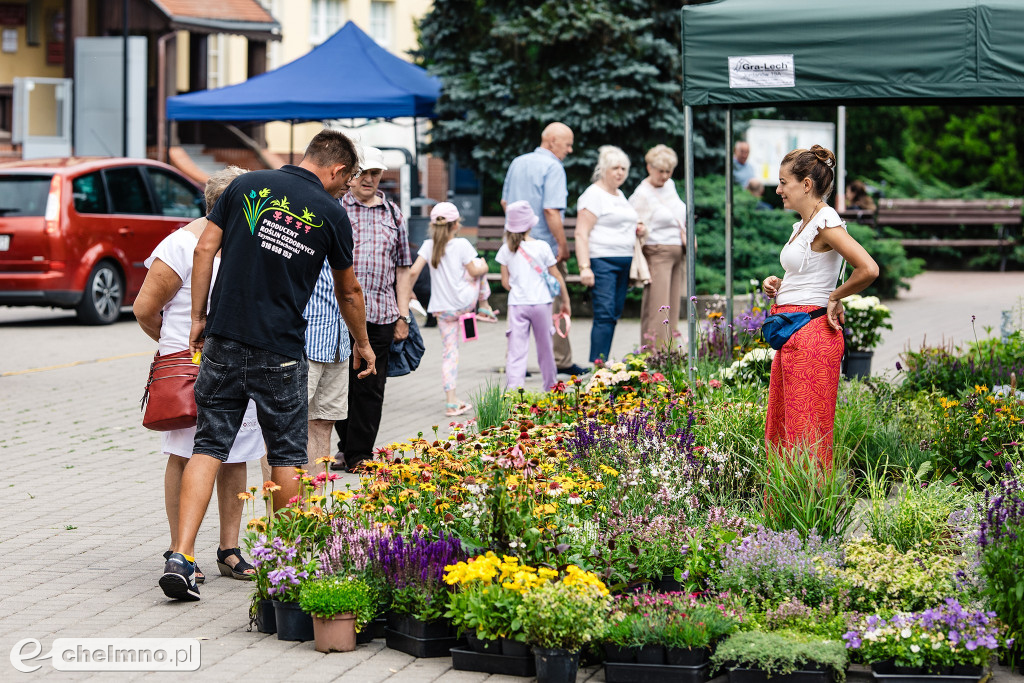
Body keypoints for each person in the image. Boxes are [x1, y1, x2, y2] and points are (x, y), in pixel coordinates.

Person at [159, 129, 375, 602]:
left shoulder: (245, 185)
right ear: (337, 169)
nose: (345, 187)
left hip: (223, 338)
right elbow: (349, 291)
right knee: (286, 454)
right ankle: (289, 562)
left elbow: (203, 249)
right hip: (279, 350)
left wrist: (198, 317)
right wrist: (363, 342)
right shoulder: (332, 214)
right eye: (348, 178)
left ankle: (182, 556)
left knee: (209, 444)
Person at [134, 166, 260, 585]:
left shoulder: (245, 244)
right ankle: (179, 549)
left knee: (237, 453)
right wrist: (179, 348)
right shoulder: (181, 245)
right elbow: (144, 309)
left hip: (239, 362)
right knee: (185, 451)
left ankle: (229, 548)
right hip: (191, 368)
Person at [761, 145, 879, 469]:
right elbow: (810, 273)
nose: (778, 188)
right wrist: (778, 285)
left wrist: (835, 296)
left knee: (806, 435)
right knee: (784, 431)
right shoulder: (803, 223)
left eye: (784, 182)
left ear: (806, 185)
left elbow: (868, 269)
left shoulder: (825, 220)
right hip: (792, 331)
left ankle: (808, 517)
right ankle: (785, 515)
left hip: (812, 334)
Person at [331, 147, 413, 474]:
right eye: (363, 172)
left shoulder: (393, 214)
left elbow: (403, 268)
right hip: (338, 313)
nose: (368, 179)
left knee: (370, 388)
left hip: (380, 312)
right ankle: (345, 446)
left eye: (375, 173)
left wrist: (403, 314)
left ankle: (360, 455)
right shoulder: (336, 207)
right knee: (339, 384)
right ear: (350, 174)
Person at [502, 122, 588, 377]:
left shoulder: (517, 162)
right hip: (542, 248)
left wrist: (515, 233)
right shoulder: (553, 167)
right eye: (567, 144)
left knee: (518, 300)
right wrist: (563, 245)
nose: (570, 150)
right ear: (551, 141)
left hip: (515, 245)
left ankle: (514, 362)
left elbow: (505, 201)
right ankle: (561, 360)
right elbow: (551, 211)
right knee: (554, 301)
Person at [406, 202, 493, 417]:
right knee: (480, 267)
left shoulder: (428, 245)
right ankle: (485, 306)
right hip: (464, 304)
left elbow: (413, 272)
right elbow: (473, 272)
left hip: (441, 309)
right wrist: (484, 266)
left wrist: (407, 292)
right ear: (456, 224)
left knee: (449, 353)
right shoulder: (462, 244)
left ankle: (451, 402)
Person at [575, 145, 644, 364]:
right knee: (604, 315)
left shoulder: (620, 194)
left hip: (624, 262)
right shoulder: (593, 195)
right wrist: (584, 267)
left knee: (613, 314)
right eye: (615, 167)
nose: (620, 172)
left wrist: (637, 228)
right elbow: (581, 233)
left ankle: (602, 362)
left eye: (624, 168)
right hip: (602, 261)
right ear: (603, 169)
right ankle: (597, 365)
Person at [496, 200, 571, 390]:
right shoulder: (542, 247)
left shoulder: (506, 249)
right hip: (541, 304)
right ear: (531, 224)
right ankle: (551, 388)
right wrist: (565, 302)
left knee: (516, 351)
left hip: (517, 305)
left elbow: (506, 283)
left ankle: (513, 392)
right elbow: (556, 276)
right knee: (545, 349)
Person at [629, 144, 687, 351]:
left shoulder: (669, 185)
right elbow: (632, 222)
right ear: (649, 168)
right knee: (657, 307)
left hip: (677, 252)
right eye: (660, 171)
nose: (664, 175)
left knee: (672, 307)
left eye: (668, 171)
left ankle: (670, 352)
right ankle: (653, 353)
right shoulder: (642, 194)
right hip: (657, 252)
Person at [302, 260, 351, 476]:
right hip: (302, 340)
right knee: (283, 428)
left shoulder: (340, 226)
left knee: (322, 422)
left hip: (336, 340)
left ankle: (313, 508)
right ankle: (278, 509)